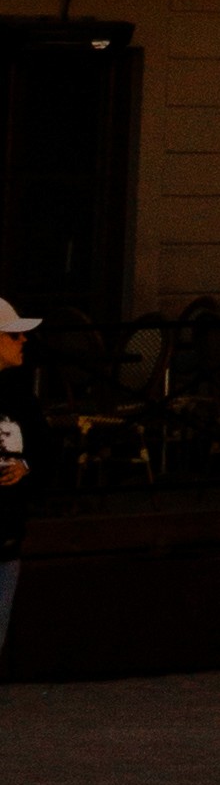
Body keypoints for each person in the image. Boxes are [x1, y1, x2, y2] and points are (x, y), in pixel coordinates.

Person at [0, 295, 33, 697]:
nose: (22, 341)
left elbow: (44, 447)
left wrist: (26, 466)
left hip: (6, 539)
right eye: (12, 335)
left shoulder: (19, 393)